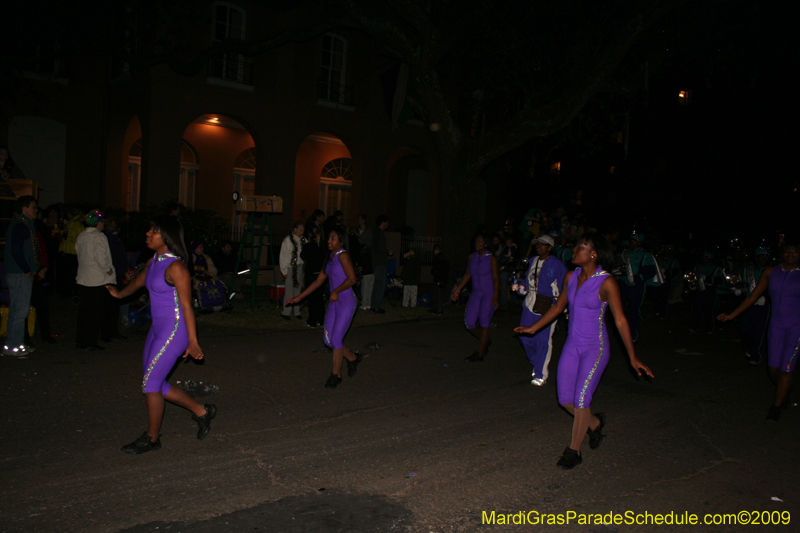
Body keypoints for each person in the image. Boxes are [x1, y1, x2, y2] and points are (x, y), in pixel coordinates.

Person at [515, 234, 654, 470]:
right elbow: (559, 307)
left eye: (581, 246)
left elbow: (620, 320)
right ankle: (595, 423)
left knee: (581, 400)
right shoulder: (572, 276)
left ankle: (574, 450)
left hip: (594, 348)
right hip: (572, 344)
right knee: (565, 400)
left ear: (593, 254)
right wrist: (533, 328)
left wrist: (632, 357)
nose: (575, 249)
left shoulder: (606, 282)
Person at [108, 215, 215, 454]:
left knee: (150, 384)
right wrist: (119, 294)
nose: (148, 233)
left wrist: (193, 341)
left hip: (175, 331)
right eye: (149, 229)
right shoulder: (153, 261)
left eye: (154, 231)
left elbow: (188, 306)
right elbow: (137, 284)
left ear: (166, 237)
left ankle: (152, 439)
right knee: (154, 382)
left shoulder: (176, 267)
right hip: (158, 328)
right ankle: (202, 411)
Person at [718, 241, 799, 421]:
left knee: (787, 368)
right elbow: (754, 296)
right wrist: (732, 315)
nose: (791, 254)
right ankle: (784, 389)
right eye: (788, 250)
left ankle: (777, 406)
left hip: (796, 329)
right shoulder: (771, 272)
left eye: (795, 251)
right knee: (772, 369)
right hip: (776, 326)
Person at [286, 228, 363, 388]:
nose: (329, 241)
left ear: (341, 241)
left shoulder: (343, 255)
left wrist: (335, 291)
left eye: (333, 238)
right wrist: (300, 297)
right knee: (328, 340)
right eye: (329, 238)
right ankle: (352, 358)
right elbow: (318, 282)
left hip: (347, 301)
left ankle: (336, 375)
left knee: (336, 340)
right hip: (335, 303)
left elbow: (352, 279)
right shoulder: (329, 257)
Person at [513, 235, 568, 385]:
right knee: (523, 336)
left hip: (549, 305)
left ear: (550, 247)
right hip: (531, 303)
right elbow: (527, 280)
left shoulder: (557, 265)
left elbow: (565, 287)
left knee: (543, 339)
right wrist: (520, 286)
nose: (539, 246)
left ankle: (540, 373)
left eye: (542, 244)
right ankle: (538, 361)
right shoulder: (533, 261)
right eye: (537, 244)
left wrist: (563, 305)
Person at [451, 233, 499, 362]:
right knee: (469, 322)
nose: (477, 243)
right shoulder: (471, 257)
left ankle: (480, 353)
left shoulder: (491, 258)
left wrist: (495, 297)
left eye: (480, 241)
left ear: (486, 243)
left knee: (484, 322)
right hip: (476, 293)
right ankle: (485, 340)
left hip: (488, 294)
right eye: (476, 241)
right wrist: (457, 290)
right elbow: (468, 274)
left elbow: (495, 278)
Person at [75, 210, 118, 350]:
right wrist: (108, 270)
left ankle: (81, 340)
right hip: (96, 279)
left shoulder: (82, 235)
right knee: (94, 313)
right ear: (99, 223)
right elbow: (101, 257)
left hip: (83, 277)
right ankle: (90, 342)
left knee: (84, 312)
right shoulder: (99, 237)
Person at [2, 196, 40, 357]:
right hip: (19, 274)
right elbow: (16, 249)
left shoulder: (23, 224)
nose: (36, 210)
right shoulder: (20, 225)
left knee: (20, 310)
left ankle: (16, 343)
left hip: (20, 272)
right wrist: (26, 269)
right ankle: (12, 345)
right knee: (19, 310)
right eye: (33, 207)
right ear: (24, 208)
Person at [619, 233, 660, 342]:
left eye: (634, 241)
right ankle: (621, 332)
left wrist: (639, 278)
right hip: (624, 285)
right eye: (631, 240)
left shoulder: (645, 255)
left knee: (634, 310)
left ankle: (633, 333)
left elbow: (651, 271)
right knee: (620, 309)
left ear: (639, 243)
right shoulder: (624, 253)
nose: (632, 242)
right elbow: (620, 267)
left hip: (637, 287)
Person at [736, 247, 771, 365]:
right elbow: (742, 283)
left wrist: (766, 297)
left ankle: (755, 355)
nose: (763, 259)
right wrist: (738, 290)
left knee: (758, 331)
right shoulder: (746, 269)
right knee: (744, 329)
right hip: (747, 303)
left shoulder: (773, 271)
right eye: (761, 256)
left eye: (766, 256)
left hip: (763, 306)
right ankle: (749, 349)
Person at [688, 252, 727, 335]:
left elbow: (719, 280)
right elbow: (693, 277)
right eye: (703, 257)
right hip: (699, 290)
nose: (704, 259)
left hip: (709, 291)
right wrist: (693, 284)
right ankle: (692, 327)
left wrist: (707, 278)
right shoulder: (698, 267)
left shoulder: (716, 268)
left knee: (709, 310)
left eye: (706, 258)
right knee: (696, 309)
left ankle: (709, 328)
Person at [300, 224, 326, 328]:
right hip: (321, 274)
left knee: (312, 298)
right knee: (319, 298)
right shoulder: (324, 246)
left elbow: (303, 256)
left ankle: (312, 321)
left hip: (311, 275)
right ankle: (321, 320)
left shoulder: (308, 246)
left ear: (310, 234)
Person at [279, 222, 305, 321]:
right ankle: (286, 312)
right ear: (294, 229)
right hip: (290, 268)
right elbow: (283, 256)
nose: (302, 232)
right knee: (289, 290)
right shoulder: (287, 240)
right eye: (300, 230)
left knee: (298, 290)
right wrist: (284, 271)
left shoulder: (303, 240)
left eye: (303, 230)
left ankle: (297, 311)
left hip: (299, 267)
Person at [370, 215, 391, 314]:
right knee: (380, 284)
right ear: (383, 222)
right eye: (387, 222)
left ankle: (374, 305)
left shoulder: (377, 233)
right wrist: (388, 252)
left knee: (378, 284)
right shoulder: (378, 233)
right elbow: (379, 248)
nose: (388, 224)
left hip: (378, 262)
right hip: (379, 262)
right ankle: (376, 306)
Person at [429, 244, 450, 315]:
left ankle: (438, 310)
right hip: (444, 279)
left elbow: (436, 269)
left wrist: (433, 271)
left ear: (436, 250)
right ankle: (438, 309)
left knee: (437, 295)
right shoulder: (444, 258)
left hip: (439, 279)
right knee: (441, 295)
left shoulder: (438, 258)